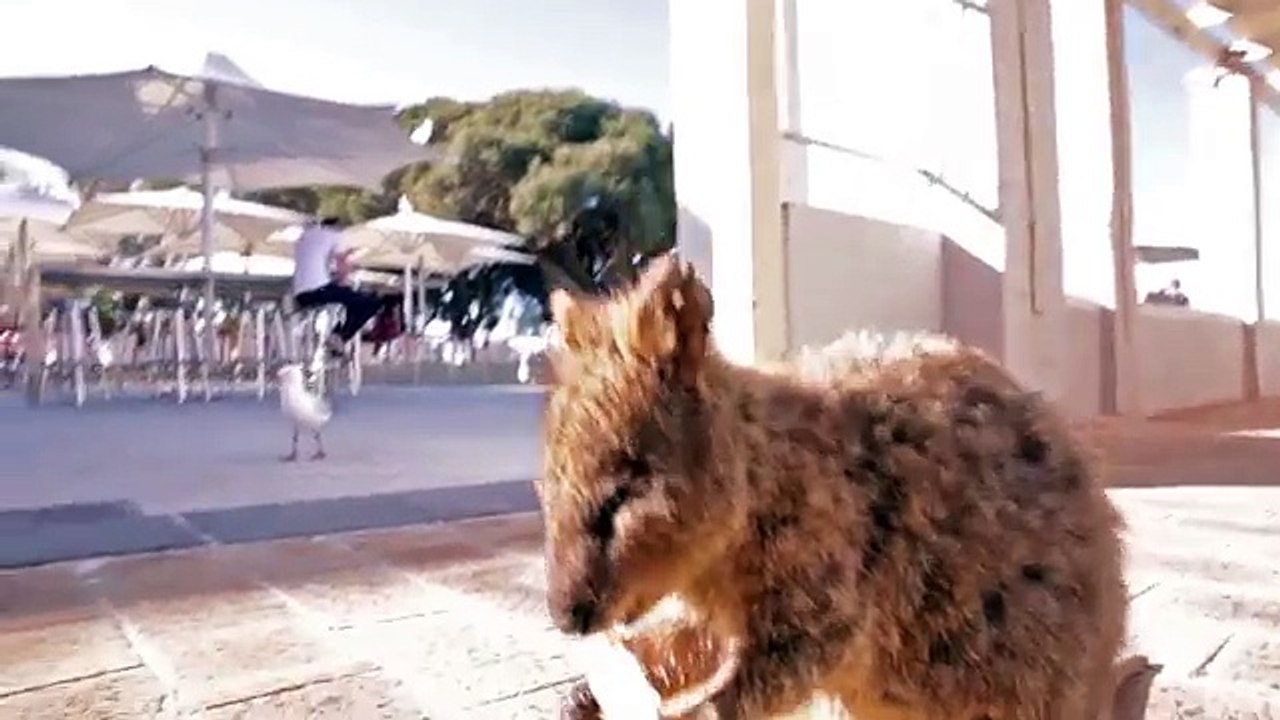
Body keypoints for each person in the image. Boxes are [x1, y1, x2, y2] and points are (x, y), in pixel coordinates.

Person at [291, 216, 381, 358]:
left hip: (300, 294)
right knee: (370, 302)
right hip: (319, 291)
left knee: (351, 299)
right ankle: (339, 336)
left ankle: (337, 338)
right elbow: (342, 266)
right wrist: (345, 279)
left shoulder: (304, 236)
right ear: (339, 225)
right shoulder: (335, 235)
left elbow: (315, 264)